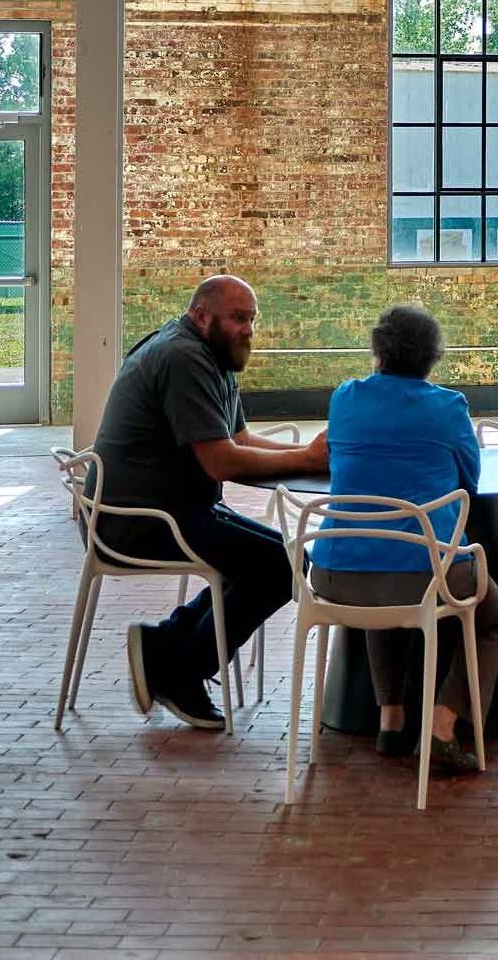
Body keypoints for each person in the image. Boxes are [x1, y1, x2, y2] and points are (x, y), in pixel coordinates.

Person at [93, 274, 327, 729]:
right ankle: (179, 671)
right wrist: (306, 457)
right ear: (202, 315)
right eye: (239, 318)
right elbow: (222, 462)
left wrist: (314, 461)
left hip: (173, 506)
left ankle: (164, 644)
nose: (248, 330)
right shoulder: (184, 358)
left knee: (288, 558)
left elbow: (238, 439)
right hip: (138, 519)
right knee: (280, 566)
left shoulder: (209, 355)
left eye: (252, 320)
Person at [309, 305, 498, 775]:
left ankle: (391, 720)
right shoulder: (448, 406)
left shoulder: (344, 398)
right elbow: (469, 481)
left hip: (335, 574)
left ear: (377, 349)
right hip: (425, 576)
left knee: (381, 586)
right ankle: (442, 728)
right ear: (432, 357)